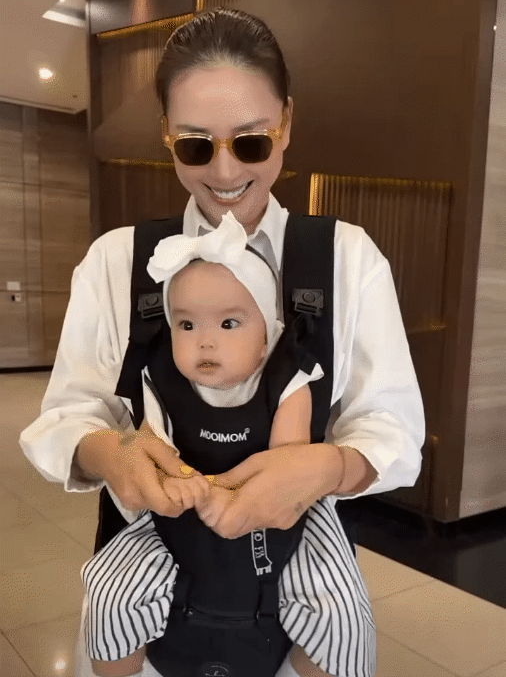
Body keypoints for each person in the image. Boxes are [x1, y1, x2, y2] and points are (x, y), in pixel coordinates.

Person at [19, 7, 425, 677]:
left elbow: (393, 430)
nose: (226, 169)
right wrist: (115, 454)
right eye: (195, 145)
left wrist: (326, 467)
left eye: (253, 141)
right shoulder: (118, 261)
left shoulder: (346, 259)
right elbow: (69, 414)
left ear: (287, 122)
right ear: (166, 133)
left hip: (293, 586)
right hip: (153, 585)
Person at [83, 211, 374, 677]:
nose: (205, 342)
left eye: (229, 324)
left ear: (266, 339)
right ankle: (123, 667)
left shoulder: (289, 381)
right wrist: (174, 483)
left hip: (284, 521)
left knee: (338, 608)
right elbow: (156, 451)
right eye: (187, 326)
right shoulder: (159, 378)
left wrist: (229, 494)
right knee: (108, 592)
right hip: (175, 521)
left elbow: (287, 469)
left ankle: (309, 665)